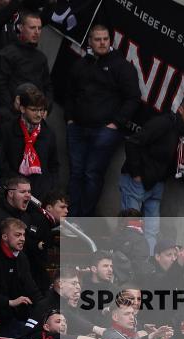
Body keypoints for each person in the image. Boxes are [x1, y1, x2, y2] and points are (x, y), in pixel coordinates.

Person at [66, 23, 140, 218]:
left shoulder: (122, 67)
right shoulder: (82, 64)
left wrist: (115, 123)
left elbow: (133, 98)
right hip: (78, 127)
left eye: (105, 39)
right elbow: (70, 92)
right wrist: (70, 118)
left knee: (92, 174)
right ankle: (69, 217)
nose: (102, 43)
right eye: (97, 39)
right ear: (90, 41)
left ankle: (83, 219)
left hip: (104, 132)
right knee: (76, 173)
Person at [120, 94, 184, 253]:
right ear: (180, 110)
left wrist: (162, 178)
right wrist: (136, 175)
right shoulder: (164, 123)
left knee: (152, 230)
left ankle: (149, 262)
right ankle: (126, 262)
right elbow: (133, 142)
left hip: (157, 185)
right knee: (131, 229)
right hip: (137, 181)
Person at [0, 217, 43, 337]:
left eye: (23, 235)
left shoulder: (21, 257)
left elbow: (31, 287)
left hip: (13, 317)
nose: (22, 239)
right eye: (17, 235)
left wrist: (46, 309)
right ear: (5, 237)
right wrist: (9, 302)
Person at [0, 88, 59, 200]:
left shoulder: (49, 133)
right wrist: (12, 185)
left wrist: (49, 189)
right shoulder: (7, 130)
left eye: (41, 110)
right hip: (14, 193)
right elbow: (1, 162)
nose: (39, 114)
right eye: (34, 110)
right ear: (22, 109)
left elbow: (53, 166)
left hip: (41, 194)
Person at [0, 12, 52, 110]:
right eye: (32, 28)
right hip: (10, 112)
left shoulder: (41, 58)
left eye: (39, 28)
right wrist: (13, 107)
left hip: (34, 113)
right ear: (21, 28)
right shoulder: (7, 54)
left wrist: (46, 108)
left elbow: (47, 86)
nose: (37, 32)